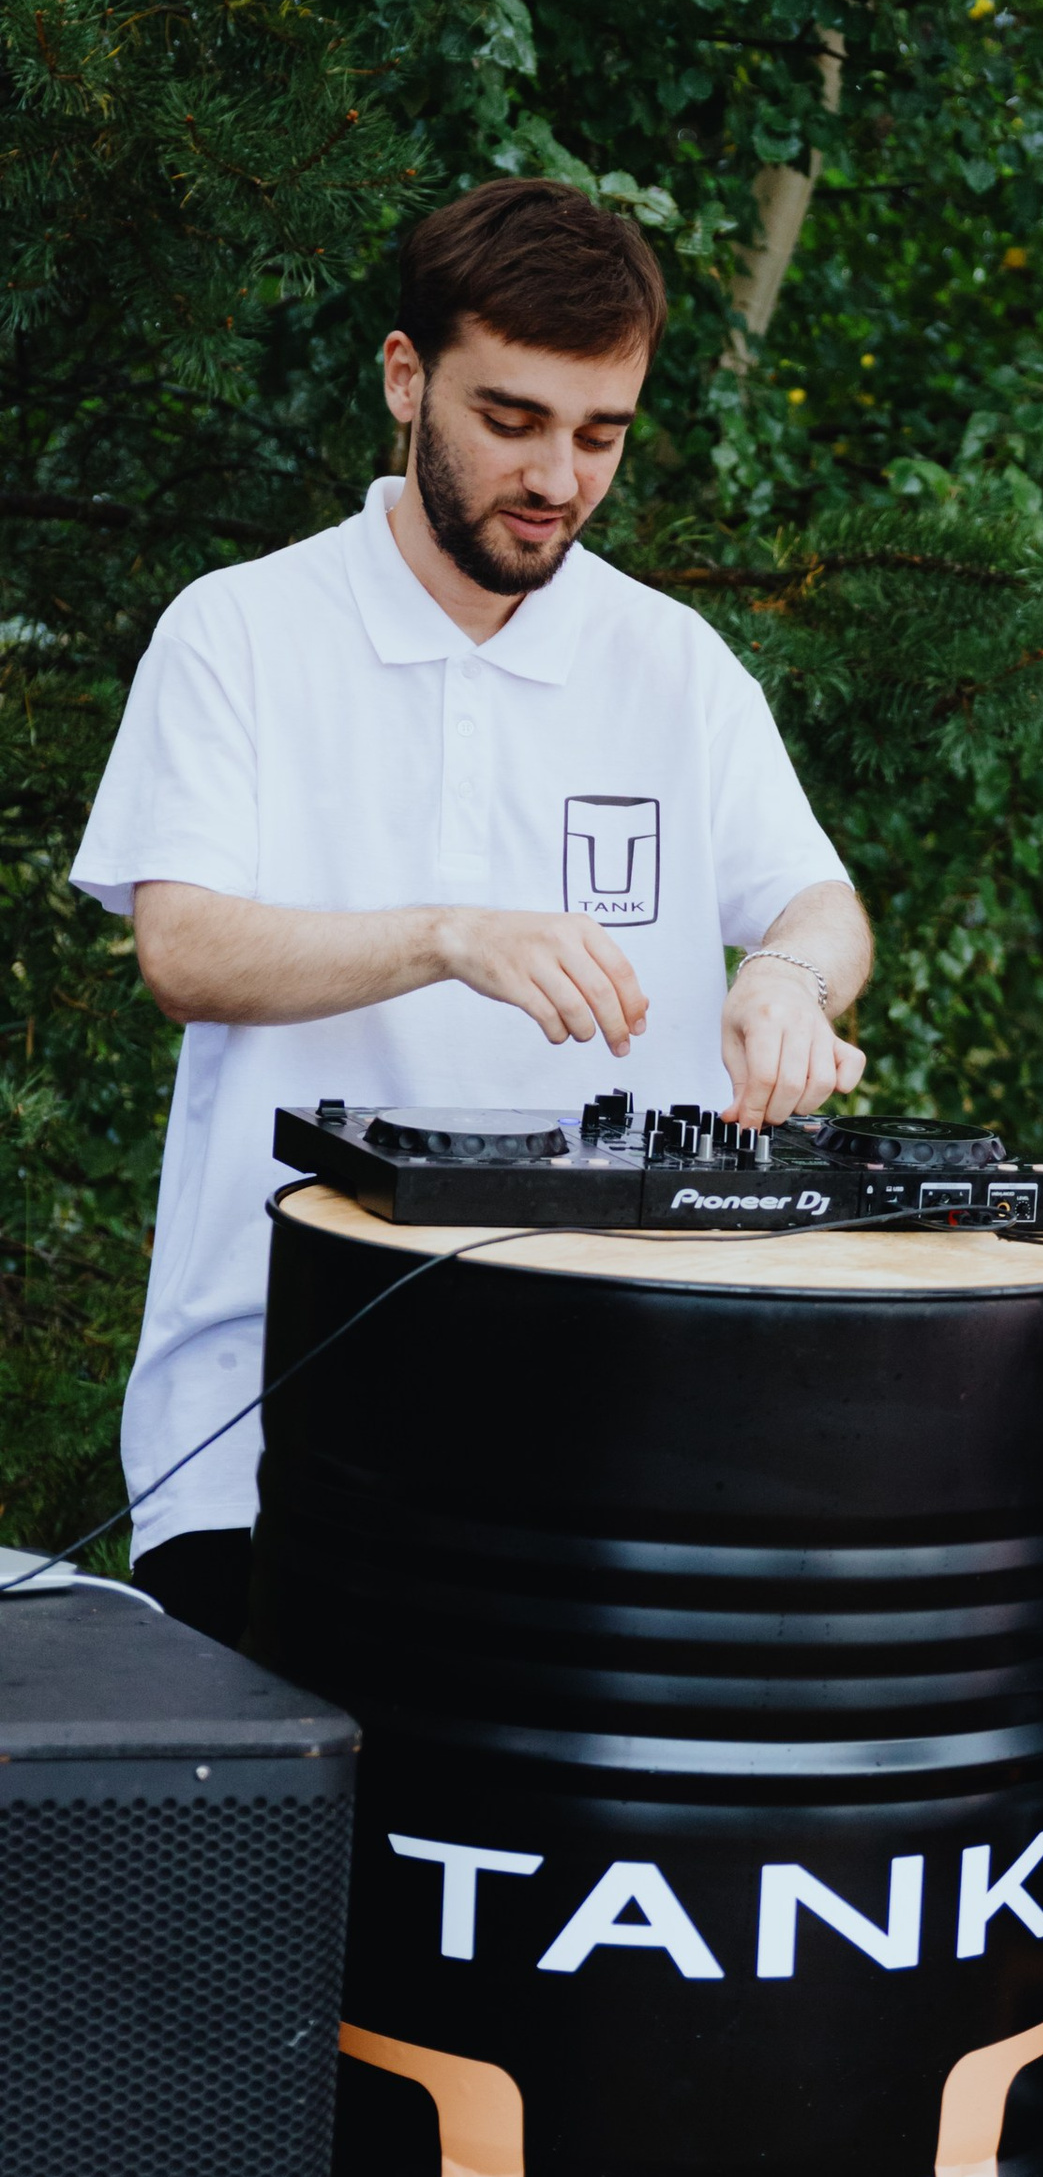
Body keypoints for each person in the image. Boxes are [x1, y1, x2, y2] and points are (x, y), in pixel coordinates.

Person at [71, 178, 872, 1646]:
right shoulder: (239, 631)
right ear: (404, 378)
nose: (558, 476)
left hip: (623, 1417)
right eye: (511, 421)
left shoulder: (673, 664)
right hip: (264, 1423)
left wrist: (785, 979)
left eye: (599, 434)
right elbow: (182, 948)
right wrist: (448, 935)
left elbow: (817, 903)